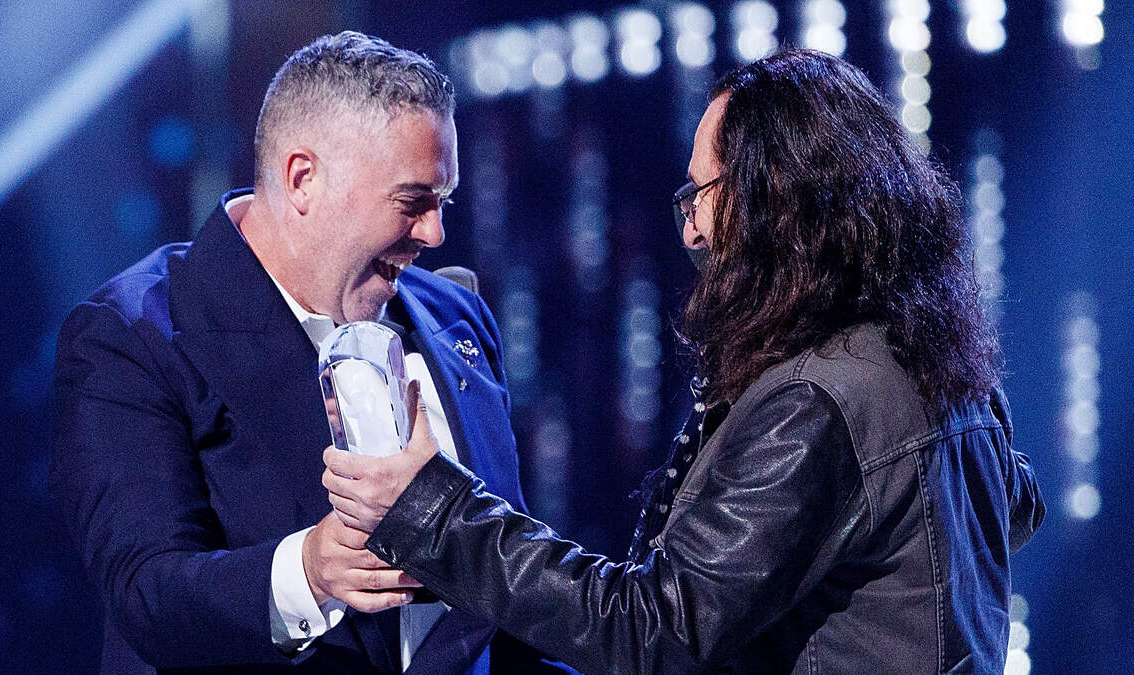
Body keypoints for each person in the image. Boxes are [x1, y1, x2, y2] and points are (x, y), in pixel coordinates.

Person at [322, 49, 1045, 674]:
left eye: (703, 194)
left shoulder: (816, 402)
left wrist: (436, 506)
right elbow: (1014, 512)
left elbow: (651, 633)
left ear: (776, 196)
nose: (692, 230)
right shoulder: (931, 362)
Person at [51, 32, 566, 673]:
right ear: (303, 180)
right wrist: (311, 572)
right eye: (413, 201)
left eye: (445, 201)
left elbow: (504, 596)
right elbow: (147, 594)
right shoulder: (132, 337)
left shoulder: (456, 316)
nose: (436, 233)